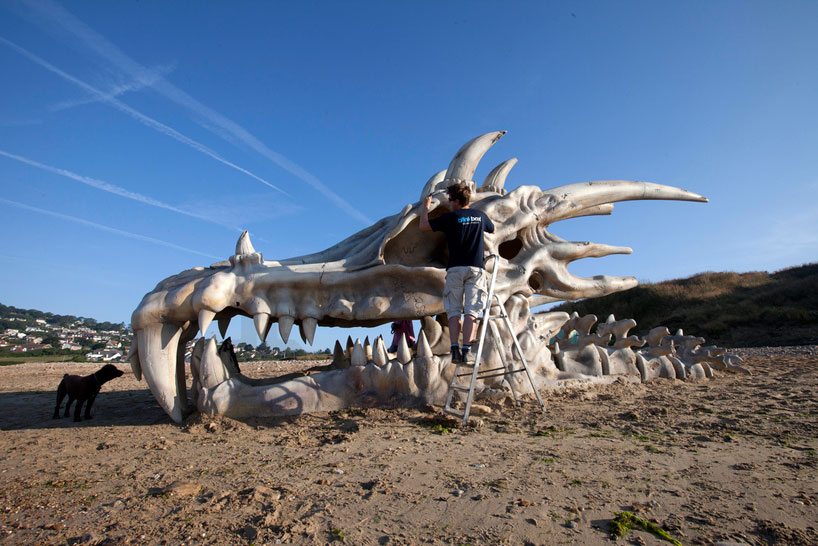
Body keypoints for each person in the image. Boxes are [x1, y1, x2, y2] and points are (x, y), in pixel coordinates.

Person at [420, 182, 495, 362]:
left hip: (454, 269)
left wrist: (425, 207)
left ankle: (454, 349)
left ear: (456, 201)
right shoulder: (480, 216)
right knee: (472, 311)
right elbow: (492, 229)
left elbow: (423, 226)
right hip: (476, 269)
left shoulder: (450, 218)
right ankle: (467, 350)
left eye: (450, 200)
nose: (449, 203)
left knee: (454, 311)